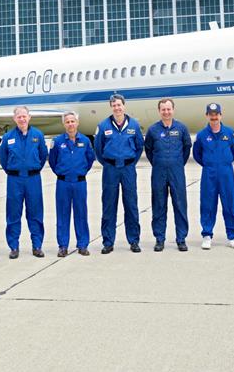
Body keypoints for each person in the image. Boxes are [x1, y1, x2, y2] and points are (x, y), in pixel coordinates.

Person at [94, 94, 145, 253]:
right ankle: (108, 242)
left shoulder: (134, 125)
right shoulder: (103, 126)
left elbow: (139, 147)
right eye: (114, 105)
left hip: (128, 169)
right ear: (111, 107)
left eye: (119, 105)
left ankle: (134, 240)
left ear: (124, 106)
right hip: (110, 169)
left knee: (131, 205)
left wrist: (129, 163)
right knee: (109, 205)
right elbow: (98, 149)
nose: (117, 108)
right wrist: (109, 164)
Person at [0, 106, 48, 259]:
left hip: (33, 179)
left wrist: (33, 169)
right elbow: (3, 159)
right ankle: (14, 246)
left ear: (29, 117)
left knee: (35, 213)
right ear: (14, 119)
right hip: (14, 180)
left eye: (24, 116)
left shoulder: (37, 135)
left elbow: (43, 155)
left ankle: (37, 245)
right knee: (13, 214)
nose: (22, 119)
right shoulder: (8, 137)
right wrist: (14, 171)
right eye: (18, 116)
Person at [144, 98, 192, 252]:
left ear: (173, 110)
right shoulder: (153, 130)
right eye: (163, 109)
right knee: (158, 205)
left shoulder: (181, 128)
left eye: (168, 109)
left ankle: (181, 239)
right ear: (159, 111)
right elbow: (149, 150)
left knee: (180, 205)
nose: (166, 112)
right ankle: (159, 238)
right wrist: (159, 163)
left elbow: (186, 148)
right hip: (159, 172)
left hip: (177, 171)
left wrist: (177, 163)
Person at [192, 103, 234, 249]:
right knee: (207, 204)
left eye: (216, 114)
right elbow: (197, 155)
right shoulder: (201, 135)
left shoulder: (230, 133)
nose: (214, 117)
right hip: (209, 174)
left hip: (226, 174)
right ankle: (207, 235)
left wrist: (224, 162)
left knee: (230, 204)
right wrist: (210, 164)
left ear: (221, 115)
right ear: (207, 116)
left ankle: (232, 236)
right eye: (211, 114)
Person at [48, 111, 95, 257]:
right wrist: (63, 173)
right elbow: (52, 161)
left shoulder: (85, 141)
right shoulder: (57, 141)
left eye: (72, 121)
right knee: (63, 215)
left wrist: (79, 172)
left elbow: (90, 160)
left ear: (77, 122)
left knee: (81, 214)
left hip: (80, 183)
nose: (70, 124)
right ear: (64, 124)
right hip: (63, 183)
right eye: (67, 122)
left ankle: (82, 245)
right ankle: (63, 246)